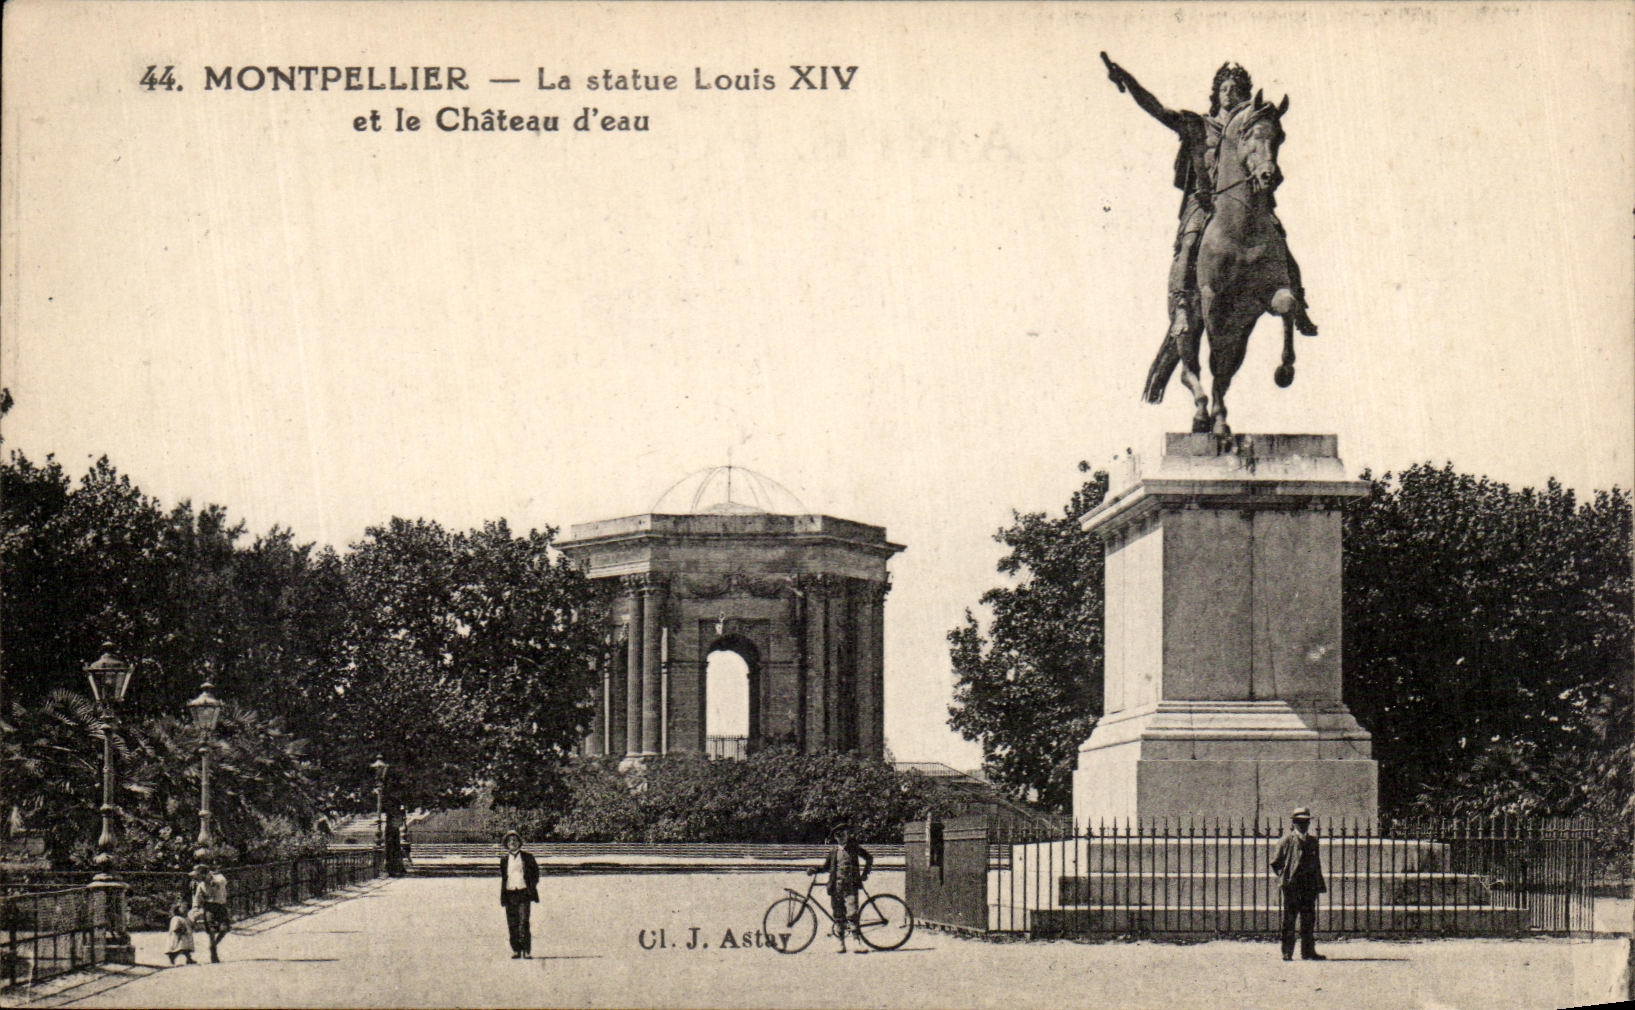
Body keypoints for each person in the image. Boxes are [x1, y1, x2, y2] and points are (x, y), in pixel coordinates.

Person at [1100, 55, 1317, 405]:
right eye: (1224, 88)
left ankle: (1299, 301)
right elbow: (1157, 109)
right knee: (1189, 244)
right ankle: (1184, 307)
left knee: (1279, 236)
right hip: (1203, 204)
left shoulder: (1250, 123)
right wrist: (1128, 82)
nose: (1229, 93)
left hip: (1247, 206)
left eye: (1236, 89)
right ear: (1215, 93)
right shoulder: (1197, 125)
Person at [1270, 807, 1327, 961]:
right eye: (1299, 822)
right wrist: (1285, 877)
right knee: (1289, 920)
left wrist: (1317, 883)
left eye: (1306, 822)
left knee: (1308, 920)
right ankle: (1287, 952)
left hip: (1309, 886)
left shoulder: (1313, 841)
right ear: (1294, 823)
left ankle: (1308, 952)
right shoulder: (1286, 840)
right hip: (1292, 887)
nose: (1303, 825)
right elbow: (1275, 863)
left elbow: (1317, 864)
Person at [809, 824, 874, 953]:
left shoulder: (854, 848)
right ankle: (841, 943)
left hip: (851, 886)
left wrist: (865, 874)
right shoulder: (833, 852)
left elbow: (869, 858)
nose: (841, 838)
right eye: (838, 836)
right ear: (835, 837)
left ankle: (857, 942)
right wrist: (814, 869)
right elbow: (826, 867)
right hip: (836, 887)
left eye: (843, 834)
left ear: (847, 835)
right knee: (838, 915)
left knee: (852, 913)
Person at [497, 830, 540, 959]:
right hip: (510, 894)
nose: (512, 843)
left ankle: (526, 950)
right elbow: (505, 877)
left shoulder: (527, 857)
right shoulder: (504, 860)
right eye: (510, 842)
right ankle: (516, 950)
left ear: (519, 843)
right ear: (507, 844)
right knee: (512, 923)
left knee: (524, 922)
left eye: (515, 841)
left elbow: (535, 874)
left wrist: (530, 886)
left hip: (523, 893)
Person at [189, 863, 231, 963]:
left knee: (224, 929)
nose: (197, 878)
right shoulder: (201, 885)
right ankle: (214, 953)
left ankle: (213, 946)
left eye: (198, 875)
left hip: (221, 906)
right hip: (209, 907)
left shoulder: (219, 878)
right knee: (211, 931)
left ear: (205, 874)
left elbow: (223, 882)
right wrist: (195, 909)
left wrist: (213, 880)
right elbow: (197, 898)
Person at [164, 901, 197, 966]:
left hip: (186, 936)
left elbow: (190, 924)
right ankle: (172, 956)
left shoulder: (186, 918)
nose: (185, 910)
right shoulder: (176, 918)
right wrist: (181, 930)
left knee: (186, 948)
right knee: (179, 948)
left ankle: (188, 958)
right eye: (183, 909)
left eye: (186, 909)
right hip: (179, 936)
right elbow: (175, 928)